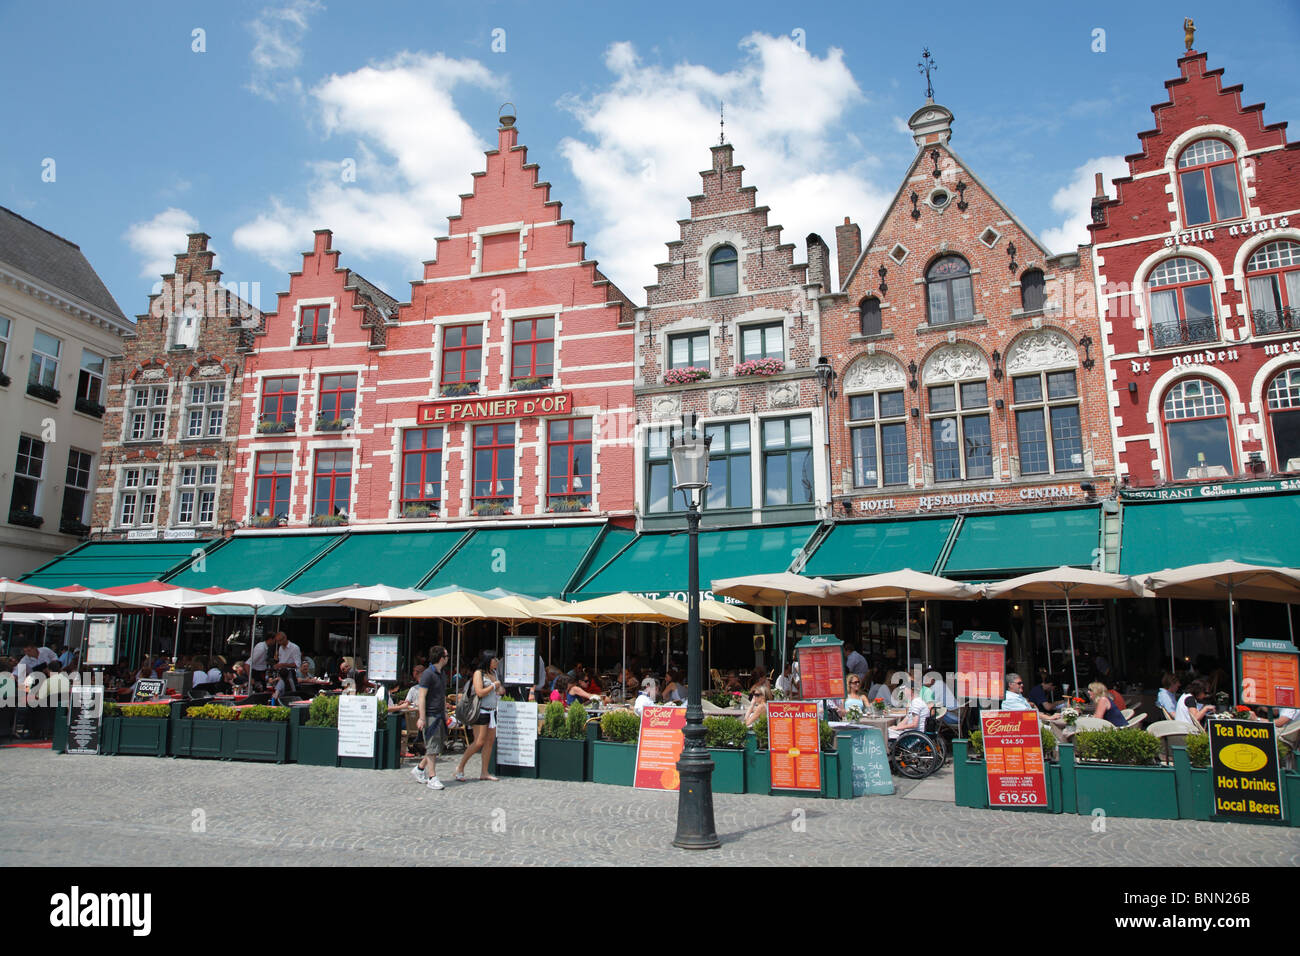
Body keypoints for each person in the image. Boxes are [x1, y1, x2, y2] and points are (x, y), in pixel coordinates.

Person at [455, 650, 504, 782]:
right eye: (495, 659)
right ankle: (460, 767)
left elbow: (499, 690)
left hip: (492, 710)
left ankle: (484, 771)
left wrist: (499, 688)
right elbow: (480, 692)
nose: (497, 662)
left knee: (489, 741)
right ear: (488, 660)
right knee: (479, 741)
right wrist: (494, 686)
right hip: (481, 710)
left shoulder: (493, 673)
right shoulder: (479, 673)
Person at [412, 645, 449, 791]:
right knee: (432, 747)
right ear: (441, 658)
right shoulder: (428, 674)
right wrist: (421, 718)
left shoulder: (442, 674)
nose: (448, 658)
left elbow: (442, 694)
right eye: (446, 656)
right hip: (430, 715)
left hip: (439, 714)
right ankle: (432, 777)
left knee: (436, 746)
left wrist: (445, 710)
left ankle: (420, 769)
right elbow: (422, 697)